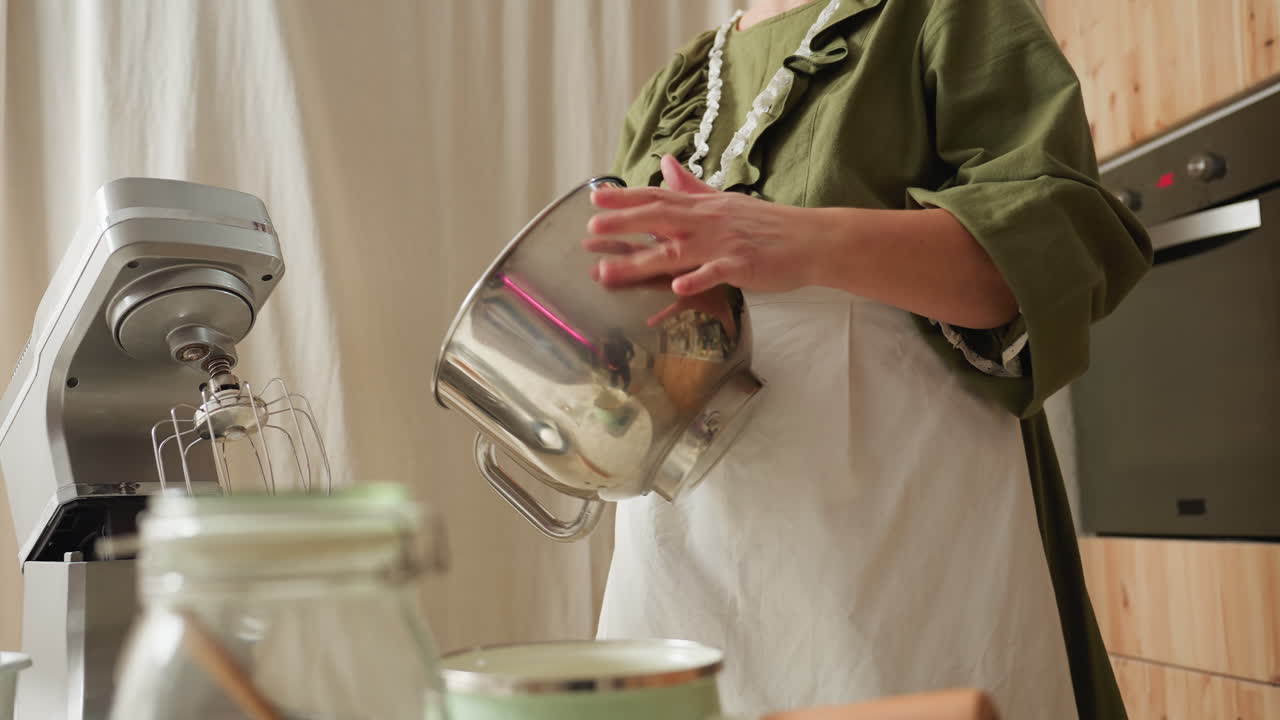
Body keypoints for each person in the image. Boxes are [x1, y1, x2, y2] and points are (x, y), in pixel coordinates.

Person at [587, 1, 1151, 718]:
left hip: (903, 552)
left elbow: (1047, 246)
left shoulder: (947, 12)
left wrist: (804, 242)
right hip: (686, 564)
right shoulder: (678, 85)